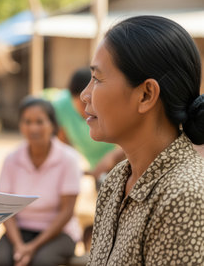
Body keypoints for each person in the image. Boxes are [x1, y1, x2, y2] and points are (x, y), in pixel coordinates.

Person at [83, 15, 204, 265]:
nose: (85, 95)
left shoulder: (185, 195)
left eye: (97, 79)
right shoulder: (116, 181)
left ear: (146, 94)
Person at [0, 97, 82, 266]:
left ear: (53, 125)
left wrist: (32, 247)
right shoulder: (11, 159)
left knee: (43, 261)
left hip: (60, 233)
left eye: (40, 122)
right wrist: (19, 245)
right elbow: (5, 209)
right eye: (27, 122)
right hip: (20, 231)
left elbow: (67, 211)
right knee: (3, 259)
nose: (33, 128)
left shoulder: (69, 159)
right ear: (20, 125)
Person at [42, 67, 125, 181]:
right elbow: (62, 142)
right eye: (82, 103)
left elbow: (133, 134)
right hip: (96, 168)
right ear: (72, 98)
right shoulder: (61, 106)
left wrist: (111, 158)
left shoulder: (113, 102)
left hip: (123, 161)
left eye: (93, 101)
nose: (89, 108)